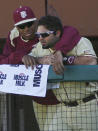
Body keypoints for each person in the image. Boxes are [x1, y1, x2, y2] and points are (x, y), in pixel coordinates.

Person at [22, 15, 98, 131]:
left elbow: (91, 61)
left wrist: (65, 59)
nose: (40, 38)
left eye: (45, 35)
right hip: (63, 108)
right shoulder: (40, 47)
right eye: (38, 35)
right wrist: (31, 58)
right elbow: (30, 59)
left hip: (87, 105)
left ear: (57, 33)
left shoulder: (80, 42)